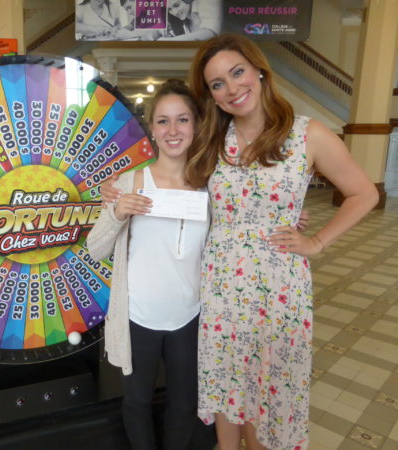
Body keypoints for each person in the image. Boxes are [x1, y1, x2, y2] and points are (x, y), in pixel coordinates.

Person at [186, 34, 378, 449]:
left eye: (237, 72)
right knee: (226, 379)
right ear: (211, 96)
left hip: (277, 287)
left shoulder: (307, 134)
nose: (232, 88)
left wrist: (317, 241)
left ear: (259, 70)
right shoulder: (212, 138)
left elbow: (365, 193)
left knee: (266, 389)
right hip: (221, 284)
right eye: (218, 83)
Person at [87, 79, 210, 450]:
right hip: (137, 316)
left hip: (190, 315)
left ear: (196, 126)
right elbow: (95, 249)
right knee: (138, 400)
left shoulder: (210, 184)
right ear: (152, 129)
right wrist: (117, 213)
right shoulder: (130, 182)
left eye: (182, 120)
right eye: (163, 121)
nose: (173, 130)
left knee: (184, 403)